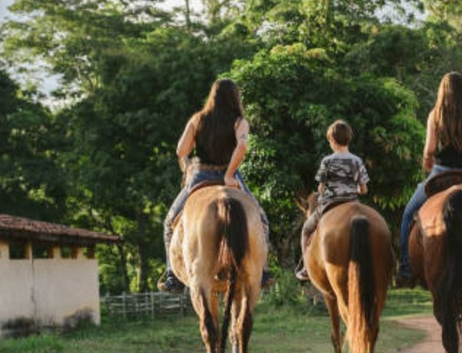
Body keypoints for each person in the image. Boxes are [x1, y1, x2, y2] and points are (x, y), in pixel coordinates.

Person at [158, 78, 272, 293]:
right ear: (235, 98)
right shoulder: (239, 122)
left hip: (200, 176)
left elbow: (181, 150)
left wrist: (187, 166)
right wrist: (229, 174)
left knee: (168, 223)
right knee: (262, 220)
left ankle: (172, 274)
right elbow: (242, 146)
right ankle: (263, 271)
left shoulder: (198, 119)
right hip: (230, 177)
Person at [396, 71, 462, 287]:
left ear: (442, 91)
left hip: (441, 173)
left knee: (408, 215)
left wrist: (427, 159)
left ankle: (406, 269)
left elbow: (430, 149)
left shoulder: (435, 115)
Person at [295, 120, 370, 281]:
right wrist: (353, 189)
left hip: (330, 205)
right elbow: (364, 190)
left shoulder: (327, 161)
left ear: (332, 141)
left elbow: (321, 188)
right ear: (348, 139)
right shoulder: (357, 161)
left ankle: (306, 268)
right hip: (352, 204)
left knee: (306, 230)